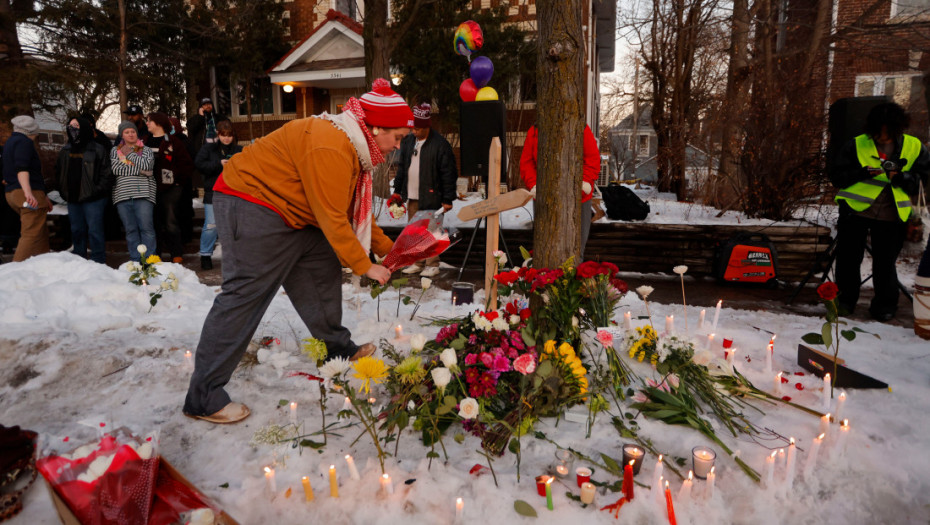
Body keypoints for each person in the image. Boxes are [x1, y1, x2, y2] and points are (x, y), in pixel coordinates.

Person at [183, 78, 413, 424]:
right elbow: (334, 217)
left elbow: (350, 212)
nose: (396, 147)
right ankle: (204, 397)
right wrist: (365, 265)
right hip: (253, 203)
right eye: (396, 138)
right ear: (376, 127)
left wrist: (391, 249)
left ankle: (336, 348)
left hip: (295, 211)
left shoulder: (351, 143)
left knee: (320, 272)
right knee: (245, 294)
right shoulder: (332, 146)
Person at [830, 102, 930, 322]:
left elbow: (923, 181)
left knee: (885, 263)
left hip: (892, 215)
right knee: (848, 260)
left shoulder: (915, 147)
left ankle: (885, 306)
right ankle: (845, 302)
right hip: (854, 212)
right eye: (878, 134)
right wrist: (862, 172)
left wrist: (902, 178)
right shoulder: (856, 145)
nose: (882, 138)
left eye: (887, 134)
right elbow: (837, 176)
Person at [390, 102, 457, 277]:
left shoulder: (440, 144)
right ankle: (417, 263)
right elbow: (402, 167)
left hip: (432, 196)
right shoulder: (409, 142)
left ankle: (432, 264)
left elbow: (448, 173)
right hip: (412, 195)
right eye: (413, 128)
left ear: (427, 126)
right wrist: (397, 190)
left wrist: (448, 198)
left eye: (418, 129)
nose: (414, 132)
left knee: (432, 231)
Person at [520, 123, 601, 257]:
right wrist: (535, 185)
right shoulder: (534, 131)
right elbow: (527, 162)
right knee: (546, 247)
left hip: (579, 198)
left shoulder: (581, 128)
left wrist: (581, 186)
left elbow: (592, 159)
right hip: (543, 197)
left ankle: (573, 276)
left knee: (576, 248)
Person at [55, 117, 114, 263]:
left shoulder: (98, 149)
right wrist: (64, 191)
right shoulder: (65, 150)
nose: (73, 129)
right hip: (73, 198)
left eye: (76, 125)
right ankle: (79, 261)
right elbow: (58, 173)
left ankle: (98, 261)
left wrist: (96, 190)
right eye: (70, 126)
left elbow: (107, 174)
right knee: (76, 230)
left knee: (94, 231)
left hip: (94, 198)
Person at [145, 112, 194, 263]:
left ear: (158, 123)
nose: (147, 124)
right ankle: (155, 255)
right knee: (154, 222)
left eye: (149, 121)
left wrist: (178, 183)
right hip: (150, 188)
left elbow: (186, 164)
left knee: (170, 221)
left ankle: (176, 254)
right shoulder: (144, 142)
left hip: (171, 189)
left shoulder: (173, 142)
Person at [2, 115, 51, 262]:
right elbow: (22, 168)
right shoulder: (24, 143)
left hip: (12, 192)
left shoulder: (10, 142)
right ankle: (14, 273)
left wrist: (44, 197)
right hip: (26, 192)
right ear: (31, 131)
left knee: (39, 232)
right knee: (31, 234)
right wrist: (28, 193)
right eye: (36, 133)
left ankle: (44, 265)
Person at [194, 120, 241, 270]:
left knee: (234, 227)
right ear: (218, 135)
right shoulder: (209, 149)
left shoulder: (239, 149)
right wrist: (218, 164)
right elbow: (199, 164)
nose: (226, 138)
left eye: (229, 135)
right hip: (213, 192)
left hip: (234, 192)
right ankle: (206, 255)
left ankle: (234, 257)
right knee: (211, 225)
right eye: (223, 135)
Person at [111, 121, 156, 261]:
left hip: (144, 194)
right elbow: (116, 169)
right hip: (122, 195)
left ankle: (149, 260)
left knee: (146, 229)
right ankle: (136, 260)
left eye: (133, 131)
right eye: (127, 132)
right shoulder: (115, 150)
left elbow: (147, 166)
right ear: (122, 135)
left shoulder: (147, 150)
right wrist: (140, 170)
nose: (130, 134)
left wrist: (128, 154)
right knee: (130, 230)